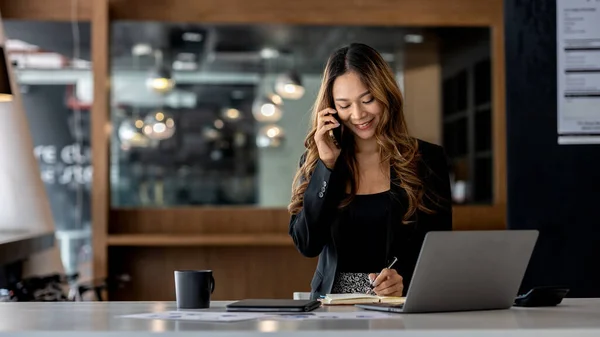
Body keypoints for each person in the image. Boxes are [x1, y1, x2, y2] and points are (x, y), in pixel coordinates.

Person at [287, 43, 452, 300]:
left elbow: (439, 251)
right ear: (331, 109)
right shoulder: (317, 162)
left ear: (386, 94)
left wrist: (403, 280)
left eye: (368, 100)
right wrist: (327, 166)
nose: (358, 114)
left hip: (400, 303)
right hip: (333, 306)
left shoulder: (427, 159)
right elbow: (307, 244)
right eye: (344, 105)